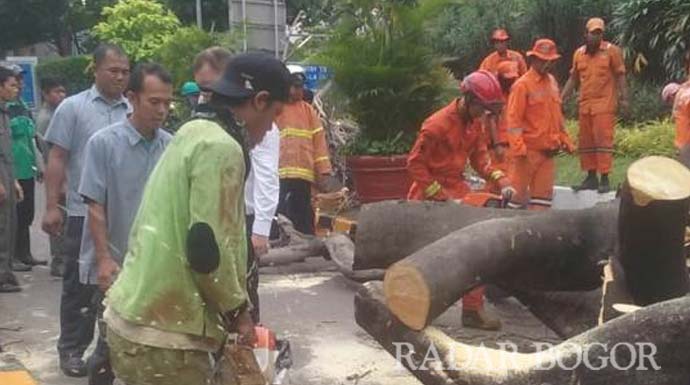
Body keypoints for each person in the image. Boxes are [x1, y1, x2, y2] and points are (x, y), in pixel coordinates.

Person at [104, 52, 291, 385]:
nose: (272, 127)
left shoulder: (192, 131)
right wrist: (239, 314)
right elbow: (207, 251)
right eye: (275, 114)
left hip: (131, 320)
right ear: (260, 101)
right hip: (168, 338)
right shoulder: (222, 147)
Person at [78, 63, 174, 385]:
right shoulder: (103, 144)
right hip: (117, 264)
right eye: (154, 102)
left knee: (153, 346)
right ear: (132, 97)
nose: (162, 110)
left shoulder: (171, 146)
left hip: (156, 265)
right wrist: (104, 260)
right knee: (109, 346)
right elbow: (95, 206)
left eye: (166, 103)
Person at [42, 43, 130, 377]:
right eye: (113, 70)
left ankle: (108, 351)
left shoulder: (131, 110)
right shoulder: (72, 108)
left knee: (117, 284)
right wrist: (52, 206)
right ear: (95, 69)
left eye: (125, 71)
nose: (120, 77)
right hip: (81, 212)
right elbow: (58, 157)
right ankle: (72, 349)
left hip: (121, 216)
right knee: (79, 285)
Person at [407, 70, 515, 330]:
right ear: (468, 99)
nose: (483, 114)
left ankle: (472, 311)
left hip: (456, 188)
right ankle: (410, 309)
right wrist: (441, 197)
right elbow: (415, 164)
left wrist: (501, 179)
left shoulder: (473, 124)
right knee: (422, 257)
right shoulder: (437, 125)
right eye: (481, 108)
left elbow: (479, 159)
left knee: (474, 250)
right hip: (428, 193)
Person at [193, 47, 280, 324]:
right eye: (203, 88)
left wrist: (261, 230)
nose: (207, 95)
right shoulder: (208, 130)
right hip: (212, 221)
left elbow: (267, 176)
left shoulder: (253, 124)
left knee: (243, 292)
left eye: (211, 87)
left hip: (244, 219)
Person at [507, 39, 575, 210]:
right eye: (544, 60)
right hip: (527, 153)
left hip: (548, 153)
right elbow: (513, 119)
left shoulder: (552, 82)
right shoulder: (522, 85)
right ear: (533, 59)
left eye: (550, 61)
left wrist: (563, 137)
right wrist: (518, 146)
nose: (547, 64)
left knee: (542, 201)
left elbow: (556, 114)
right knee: (515, 199)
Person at [562, 17, 628, 193]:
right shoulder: (579, 54)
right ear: (586, 34)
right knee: (586, 143)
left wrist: (624, 98)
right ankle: (591, 177)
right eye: (593, 33)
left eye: (599, 33)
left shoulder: (612, 51)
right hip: (585, 106)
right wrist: (562, 99)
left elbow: (621, 75)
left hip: (604, 105)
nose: (596, 36)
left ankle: (604, 178)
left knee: (603, 141)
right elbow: (573, 78)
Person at [275, 66, 334, 235]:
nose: (298, 91)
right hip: (279, 174)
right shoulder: (276, 109)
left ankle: (307, 240)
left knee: (303, 212)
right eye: (294, 86)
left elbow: (319, 142)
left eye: (300, 87)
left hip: (303, 174)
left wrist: (323, 171)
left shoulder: (308, 112)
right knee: (281, 211)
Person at [6, 65, 45, 271]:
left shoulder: (22, 105)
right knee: (13, 216)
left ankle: (25, 253)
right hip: (11, 170)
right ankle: (11, 258)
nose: (19, 85)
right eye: (15, 80)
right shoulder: (5, 108)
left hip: (26, 168)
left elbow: (32, 138)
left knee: (27, 214)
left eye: (20, 80)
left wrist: (38, 165)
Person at [36, 78, 68, 276]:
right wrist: (60, 182)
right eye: (57, 91)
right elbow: (50, 154)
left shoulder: (58, 114)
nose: (61, 95)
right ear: (46, 95)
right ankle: (59, 261)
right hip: (56, 174)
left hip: (63, 172)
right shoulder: (46, 119)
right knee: (59, 220)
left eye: (63, 91)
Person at [0, 67, 23, 293]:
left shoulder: (5, 112)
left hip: (7, 171)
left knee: (10, 223)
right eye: (11, 86)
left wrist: (13, 180)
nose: (15, 90)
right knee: (1, 225)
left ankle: (6, 272)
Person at [485, 61, 520, 193]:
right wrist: (497, 144)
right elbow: (492, 119)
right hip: (499, 145)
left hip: (510, 143)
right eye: (508, 79)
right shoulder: (495, 95)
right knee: (497, 178)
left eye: (512, 78)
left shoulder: (513, 93)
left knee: (510, 178)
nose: (511, 81)